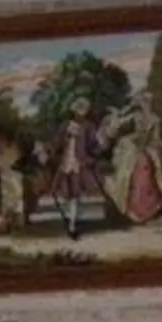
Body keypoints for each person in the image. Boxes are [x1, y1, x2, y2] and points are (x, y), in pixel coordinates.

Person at [43, 97, 108, 239]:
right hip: (66, 163)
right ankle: (70, 219)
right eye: (78, 109)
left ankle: (72, 223)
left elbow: (93, 146)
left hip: (80, 164)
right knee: (66, 194)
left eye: (83, 110)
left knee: (75, 195)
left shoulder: (89, 126)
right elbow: (57, 142)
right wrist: (46, 151)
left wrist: (101, 145)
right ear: (74, 111)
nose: (80, 113)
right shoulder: (66, 125)